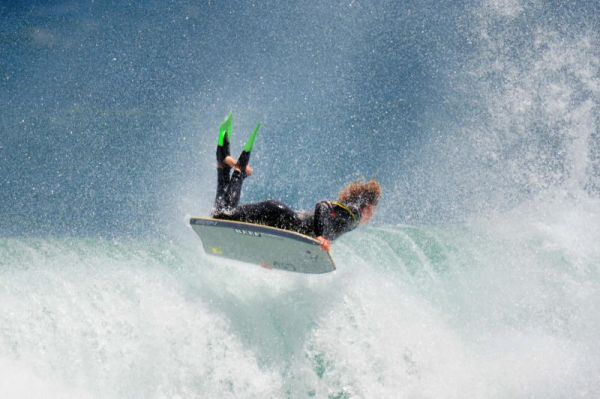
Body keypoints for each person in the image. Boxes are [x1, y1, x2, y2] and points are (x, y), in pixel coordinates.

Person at [211, 115, 381, 252]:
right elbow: (323, 206)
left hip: (278, 222)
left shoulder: (348, 220)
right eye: (373, 210)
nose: (372, 215)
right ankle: (236, 169)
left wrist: (271, 257)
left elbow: (294, 239)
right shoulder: (353, 214)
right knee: (220, 216)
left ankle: (225, 165)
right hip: (276, 214)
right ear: (369, 207)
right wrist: (321, 236)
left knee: (222, 214)